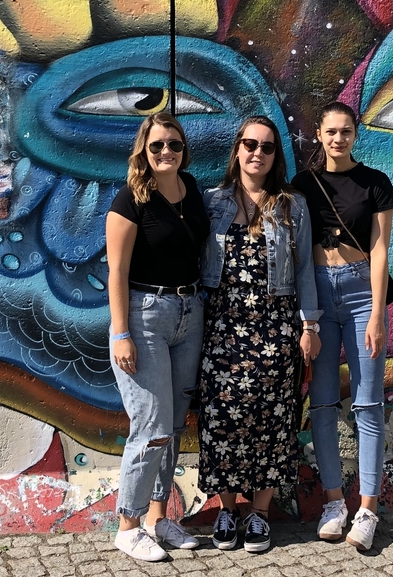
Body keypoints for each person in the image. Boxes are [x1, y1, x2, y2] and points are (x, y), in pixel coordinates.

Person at [198, 116, 321, 553]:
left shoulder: (292, 205)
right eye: (250, 143)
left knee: (272, 421)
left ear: (275, 156)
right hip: (222, 328)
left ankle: (260, 514)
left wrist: (310, 326)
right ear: (237, 149)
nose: (257, 152)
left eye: (267, 147)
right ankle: (228, 509)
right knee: (222, 420)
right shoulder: (212, 202)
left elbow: (305, 269)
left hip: (276, 328)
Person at [292, 101, 393, 552]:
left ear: (356, 134)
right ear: (319, 134)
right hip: (317, 293)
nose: (338, 139)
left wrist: (376, 313)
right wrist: (305, 316)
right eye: (331, 131)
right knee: (320, 406)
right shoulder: (301, 185)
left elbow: (379, 251)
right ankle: (334, 502)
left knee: (368, 405)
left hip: (359, 294)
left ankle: (368, 509)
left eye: (346, 132)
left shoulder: (375, 183)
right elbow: (297, 254)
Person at [106, 113, 210, 562]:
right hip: (146, 317)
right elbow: (117, 272)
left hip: (190, 314)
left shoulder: (192, 189)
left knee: (170, 426)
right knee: (148, 426)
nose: (166, 152)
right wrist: (121, 332)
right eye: (157, 146)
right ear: (143, 152)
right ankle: (127, 525)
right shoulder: (130, 199)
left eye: (174, 145)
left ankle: (157, 517)